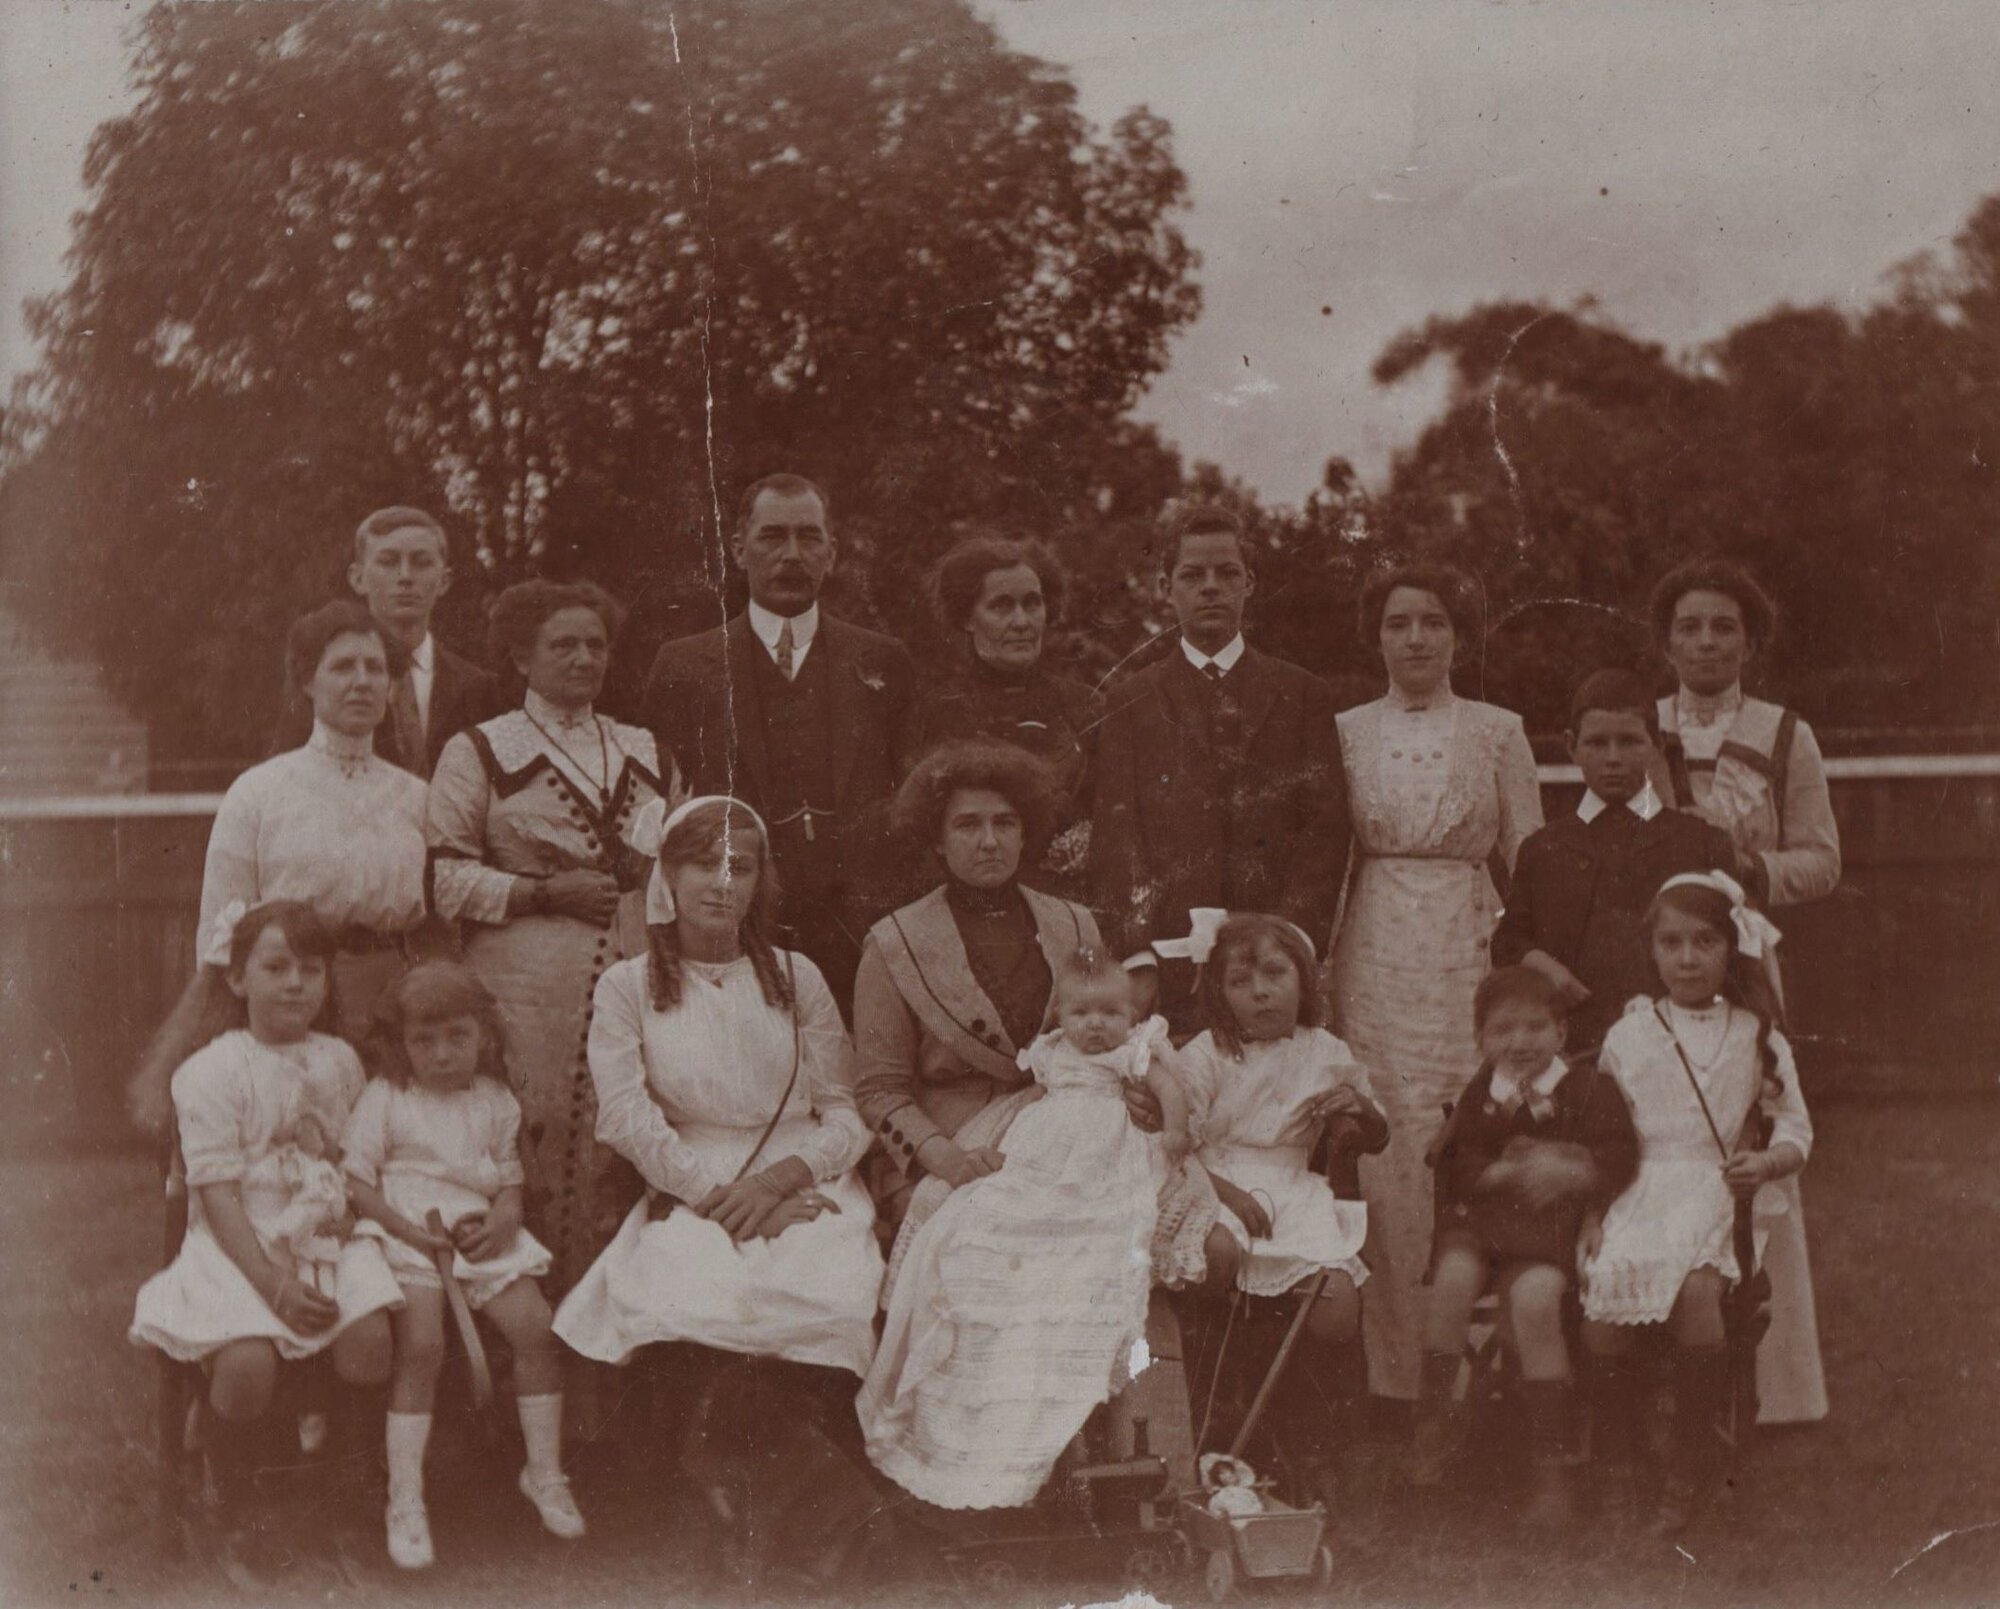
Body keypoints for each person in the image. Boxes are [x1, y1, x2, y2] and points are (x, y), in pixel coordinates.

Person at [553, 796, 884, 1578]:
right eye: (704, 862)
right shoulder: (629, 985)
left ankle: (772, 1511)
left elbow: (847, 1107)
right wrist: (717, 1198)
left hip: (805, 1174)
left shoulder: (796, 976)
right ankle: (776, 1507)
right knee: (680, 1296)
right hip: (691, 1177)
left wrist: (780, 1180)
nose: (722, 882)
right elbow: (629, 1116)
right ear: (666, 877)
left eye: (742, 864)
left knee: (820, 1293)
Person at [857, 951, 1188, 1511]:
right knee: (979, 1228)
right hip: (1043, 1152)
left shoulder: (1133, 1051)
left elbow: (1169, 1089)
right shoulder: (1052, 1055)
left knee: (1092, 1234)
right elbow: (1033, 1099)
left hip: (1105, 1151)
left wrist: (1175, 1129)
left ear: (1131, 1015)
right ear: (1058, 1014)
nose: (1095, 1025)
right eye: (1081, 1013)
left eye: (1110, 1012)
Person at [129, 902, 400, 1579]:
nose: (295, 984)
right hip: (238, 1241)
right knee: (248, 1364)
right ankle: (241, 1507)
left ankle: (344, 1498)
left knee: (370, 1337)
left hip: (323, 1232)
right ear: (239, 978)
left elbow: (348, 1158)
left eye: (312, 970)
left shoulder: (339, 1060)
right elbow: (215, 1192)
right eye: (275, 967)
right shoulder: (210, 1071)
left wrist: (342, 1215)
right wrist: (273, 1281)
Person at [426, 580, 677, 1295]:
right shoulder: (478, 749)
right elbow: (444, 879)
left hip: (633, 978)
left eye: (596, 644)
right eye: (562, 644)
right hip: (522, 989)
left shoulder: (645, 748)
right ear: (520, 657)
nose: (583, 657)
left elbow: (680, 863)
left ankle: (614, 1337)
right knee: (527, 1144)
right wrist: (542, 891)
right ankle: (524, 1346)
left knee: (621, 1145)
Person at [1332, 563, 1544, 1402]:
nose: (1416, 638)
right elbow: (1334, 858)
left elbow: (1532, 855)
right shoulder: (1346, 730)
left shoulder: (1498, 729)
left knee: (1467, 1133)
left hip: (1467, 946)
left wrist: (1529, 971)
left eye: (1433, 622)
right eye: (1398, 623)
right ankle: (1395, 1387)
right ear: (1376, 636)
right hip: (1375, 951)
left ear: (1459, 635)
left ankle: (1482, 1378)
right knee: (1385, 1156)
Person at [128, 602, 435, 1138]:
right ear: (307, 682)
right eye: (342, 667)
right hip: (293, 998)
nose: (362, 682)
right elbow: (221, 928)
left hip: (393, 1000)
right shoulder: (261, 792)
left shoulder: (418, 798)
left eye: (375, 668)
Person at [1646, 558, 1835, 1424]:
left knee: (1753, 1137)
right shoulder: (1636, 730)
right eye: (1690, 626)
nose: (1707, 641)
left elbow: (1823, 859)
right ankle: (1665, 1367)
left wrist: (1750, 869)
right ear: (1667, 640)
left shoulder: (1785, 731)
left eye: (1724, 626)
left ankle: (1774, 1390)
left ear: (1749, 641)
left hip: (1749, 961)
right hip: (1658, 962)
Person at [1580, 873, 1811, 1536]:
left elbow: (1796, 1127)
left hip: (1717, 1191)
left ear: (1729, 948)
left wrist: (1764, 1162)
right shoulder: (1631, 1033)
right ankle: (1624, 1466)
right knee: (1602, 1308)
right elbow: (1604, 1139)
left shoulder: (1756, 1033)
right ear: (1651, 949)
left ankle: (1691, 1464)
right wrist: (1595, 1212)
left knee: (1698, 1292)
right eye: (1672, 942)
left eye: (1704, 941)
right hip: (1642, 1189)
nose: (1687, 957)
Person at [852, 741, 1155, 1231]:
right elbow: (879, 1091)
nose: (989, 841)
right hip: (950, 1143)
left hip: (1064, 1131)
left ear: (1025, 832)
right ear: (936, 839)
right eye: (967, 825)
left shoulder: (1074, 925)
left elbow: (1103, 1038)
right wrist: (945, 1157)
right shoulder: (893, 944)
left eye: (1005, 823)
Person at [642, 474, 915, 1011]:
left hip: (861, 929)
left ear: (831, 553)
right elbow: (663, 808)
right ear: (740, 551)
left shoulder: (884, 661)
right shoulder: (685, 664)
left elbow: (909, 800)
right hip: (735, 925)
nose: (792, 554)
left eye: (809, 538)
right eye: (773, 537)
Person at [341, 962, 581, 1571]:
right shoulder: (388, 1097)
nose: (442, 1054)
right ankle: (405, 1497)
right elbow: (356, 1183)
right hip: (409, 1237)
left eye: (457, 1037)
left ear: (485, 1038)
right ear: (401, 1044)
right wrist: (409, 1234)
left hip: (478, 1238)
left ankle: (544, 1470)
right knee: (421, 1343)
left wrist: (504, 1218)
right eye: (424, 1041)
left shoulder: (495, 1101)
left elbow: (509, 1180)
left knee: (535, 1326)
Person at [1091, 504, 1350, 1026]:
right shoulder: (1129, 699)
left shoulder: (1302, 694)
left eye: (1227, 573)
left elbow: (1324, 832)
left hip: (1272, 969)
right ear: (1166, 587)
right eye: (1192, 575)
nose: (1210, 587)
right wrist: (1137, 954)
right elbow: (1118, 837)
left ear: (1249, 583)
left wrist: (1292, 942)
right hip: (1168, 967)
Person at [1409, 966, 1639, 1526]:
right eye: (1502, 1030)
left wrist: (1570, 1167)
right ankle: (1433, 1423)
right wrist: (1502, 1173)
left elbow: (1618, 1156)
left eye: (1536, 1027)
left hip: (1548, 1234)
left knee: (1537, 1303)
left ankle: (1550, 1469)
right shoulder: (1482, 1090)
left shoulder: (1587, 1089)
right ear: (1482, 1040)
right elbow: (1456, 1165)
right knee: (1451, 1285)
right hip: (1484, 1224)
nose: (1518, 1042)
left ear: (1562, 1033)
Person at [1175, 911, 1388, 1502]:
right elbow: (1174, 1145)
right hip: (1212, 1182)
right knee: (1214, 1251)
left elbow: (1375, 1127)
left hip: (1292, 1187)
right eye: (1241, 982)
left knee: (1336, 1300)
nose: (1261, 992)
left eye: (1275, 975)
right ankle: (1216, 1400)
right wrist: (1227, 1195)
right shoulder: (1205, 1054)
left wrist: (1359, 1108)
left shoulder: (1324, 1050)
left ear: (1305, 980)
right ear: (1219, 991)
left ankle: (1315, 1436)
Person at [1491, 669, 1739, 1054]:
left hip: (1679, 1049)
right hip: (1573, 1046)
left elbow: (1738, 952)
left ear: (1657, 744)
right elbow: (1509, 941)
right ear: (1571, 746)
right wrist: (1545, 968)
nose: (1613, 758)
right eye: (1596, 743)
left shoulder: (1701, 843)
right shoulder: (1544, 848)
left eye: (1628, 742)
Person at [904, 534, 1103, 890]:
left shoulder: (1085, 707)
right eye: (1000, 606)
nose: (1022, 621)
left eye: (1032, 604)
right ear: (967, 616)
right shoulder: (934, 713)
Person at [269, 506, 501, 776]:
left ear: (444, 581)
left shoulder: (478, 687)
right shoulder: (325, 678)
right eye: (388, 562)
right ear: (358, 578)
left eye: (421, 562)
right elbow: (288, 771)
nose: (405, 576)